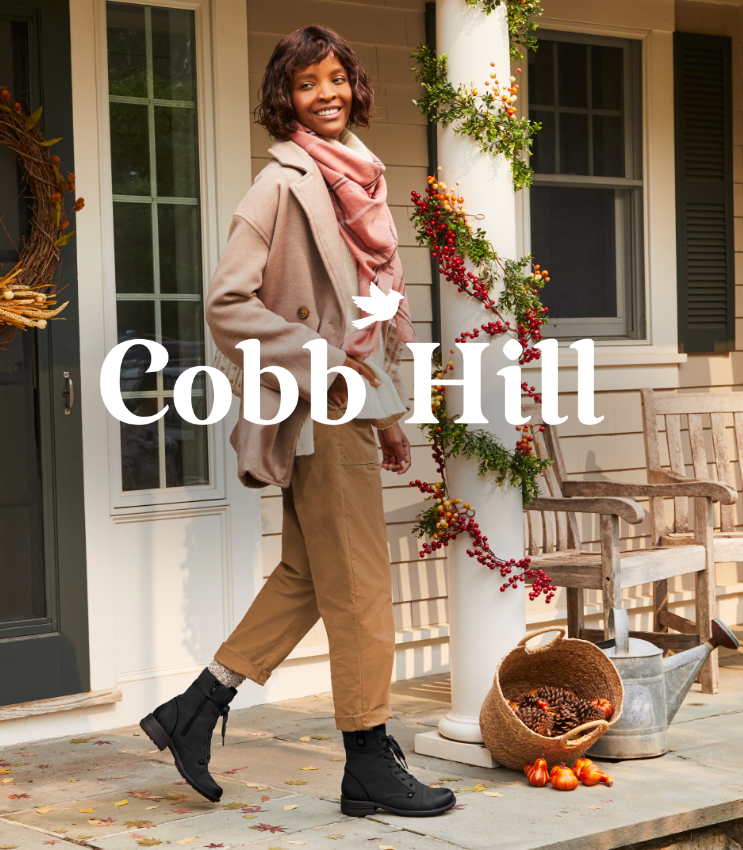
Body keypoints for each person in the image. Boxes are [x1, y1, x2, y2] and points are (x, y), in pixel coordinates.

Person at [140, 25, 456, 819]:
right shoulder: (282, 182)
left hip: (349, 404)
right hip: (315, 404)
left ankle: (194, 709)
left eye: (338, 78)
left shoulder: (362, 178)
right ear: (286, 96)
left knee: (308, 579)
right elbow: (227, 302)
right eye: (309, 82)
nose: (328, 94)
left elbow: (369, 317)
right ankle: (368, 763)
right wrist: (322, 362)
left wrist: (384, 412)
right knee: (360, 589)